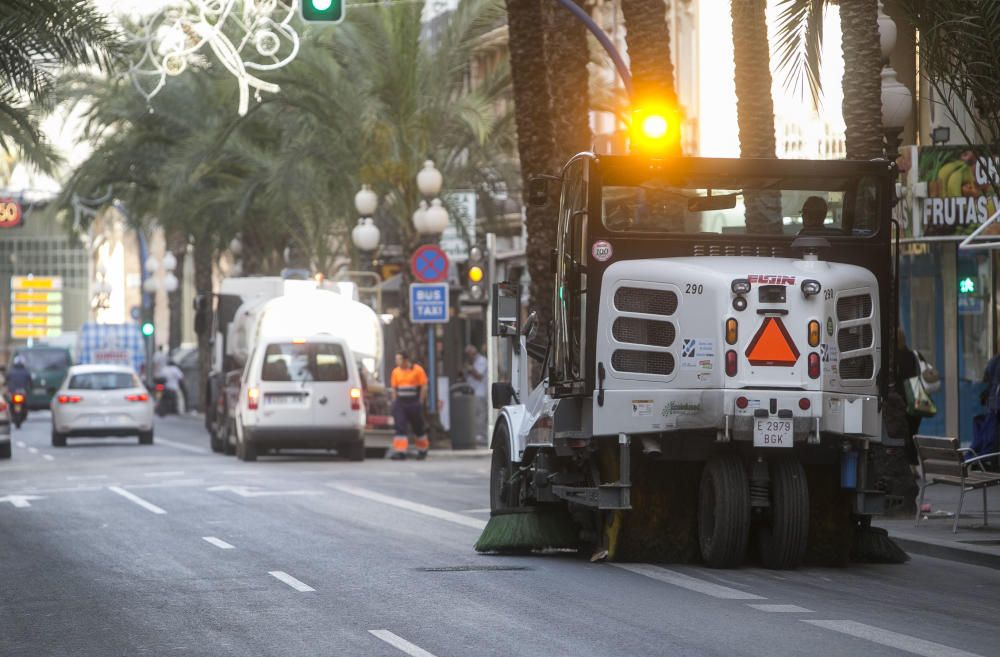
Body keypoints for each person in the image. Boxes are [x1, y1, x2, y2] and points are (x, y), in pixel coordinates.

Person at [389, 351, 429, 460]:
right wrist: (395, 403)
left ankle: (422, 450)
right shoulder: (395, 372)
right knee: (400, 426)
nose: (397, 361)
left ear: (406, 360)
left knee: (418, 427)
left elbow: (424, 386)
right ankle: (400, 451)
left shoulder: (417, 370)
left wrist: (420, 401)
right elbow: (394, 389)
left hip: (414, 402)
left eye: (399, 359)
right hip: (401, 403)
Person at [464, 345, 488, 445]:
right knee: (473, 415)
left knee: (480, 415)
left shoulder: (482, 361)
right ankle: (475, 435)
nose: (468, 357)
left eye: (469, 355)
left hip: (480, 392)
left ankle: (481, 436)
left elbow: (479, 376)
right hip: (472, 392)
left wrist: (470, 369)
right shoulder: (471, 362)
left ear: (473, 353)